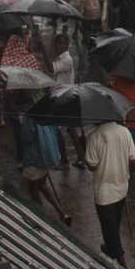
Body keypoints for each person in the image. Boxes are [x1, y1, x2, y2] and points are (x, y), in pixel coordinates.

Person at [83, 116, 135, 267]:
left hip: (104, 193)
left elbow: (92, 165)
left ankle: (123, 264)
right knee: (113, 224)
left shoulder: (94, 137)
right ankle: (109, 250)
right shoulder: (125, 132)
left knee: (110, 229)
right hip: (121, 188)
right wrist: (126, 173)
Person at [19, 107, 72, 225]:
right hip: (48, 155)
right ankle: (61, 213)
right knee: (43, 184)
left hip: (34, 157)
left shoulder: (30, 115)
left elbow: (26, 137)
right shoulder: (49, 111)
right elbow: (57, 130)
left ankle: (39, 215)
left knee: (33, 186)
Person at [51, 33, 86, 168]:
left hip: (63, 98)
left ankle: (65, 160)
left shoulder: (66, 59)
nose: (59, 46)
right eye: (57, 43)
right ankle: (81, 158)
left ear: (67, 45)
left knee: (57, 129)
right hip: (65, 96)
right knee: (71, 130)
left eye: (62, 43)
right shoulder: (62, 58)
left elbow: (51, 68)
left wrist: (42, 49)